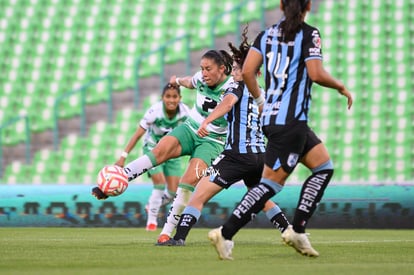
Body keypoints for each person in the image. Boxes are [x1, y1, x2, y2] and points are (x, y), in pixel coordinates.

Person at [208, 0, 353, 260]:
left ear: (281, 4)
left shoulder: (266, 35)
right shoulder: (310, 34)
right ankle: (226, 233)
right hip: (291, 121)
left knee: (323, 167)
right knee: (270, 185)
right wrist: (341, 86)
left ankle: (297, 230)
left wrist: (261, 101)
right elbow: (316, 73)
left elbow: (249, 70)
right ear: (308, 5)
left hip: (276, 118)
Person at [158, 26, 290, 249]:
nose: (235, 72)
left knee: (198, 195)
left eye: (239, 68)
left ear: (250, 72)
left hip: (236, 156)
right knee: (262, 199)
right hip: (259, 156)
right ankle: (290, 231)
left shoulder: (237, 87)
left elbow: (227, 102)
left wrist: (207, 121)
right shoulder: (263, 94)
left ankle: (178, 237)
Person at [92, 49, 235, 244]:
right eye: (202, 69)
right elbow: (189, 82)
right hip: (189, 129)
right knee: (158, 151)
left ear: (222, 68)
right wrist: (177, 81)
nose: (204, 73)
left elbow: (226, 106)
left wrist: (208, 122)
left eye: (208, 69)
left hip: (213, 141)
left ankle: (166, 234)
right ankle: (114, 183)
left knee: (187, 183)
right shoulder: (200, 79)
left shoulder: (233, 87)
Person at [113, 83, 190, 231]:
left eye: (175, 97)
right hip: (153, 149)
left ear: (180, 98)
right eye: (168, 96)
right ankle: (151, 222)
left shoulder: (186, 112)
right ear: (162, 98)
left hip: (172, 153)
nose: (171, 100)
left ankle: (153, 205)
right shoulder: (155, 111)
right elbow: (137, 135)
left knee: (173, 192)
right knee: (160, 184)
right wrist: (123, 156)